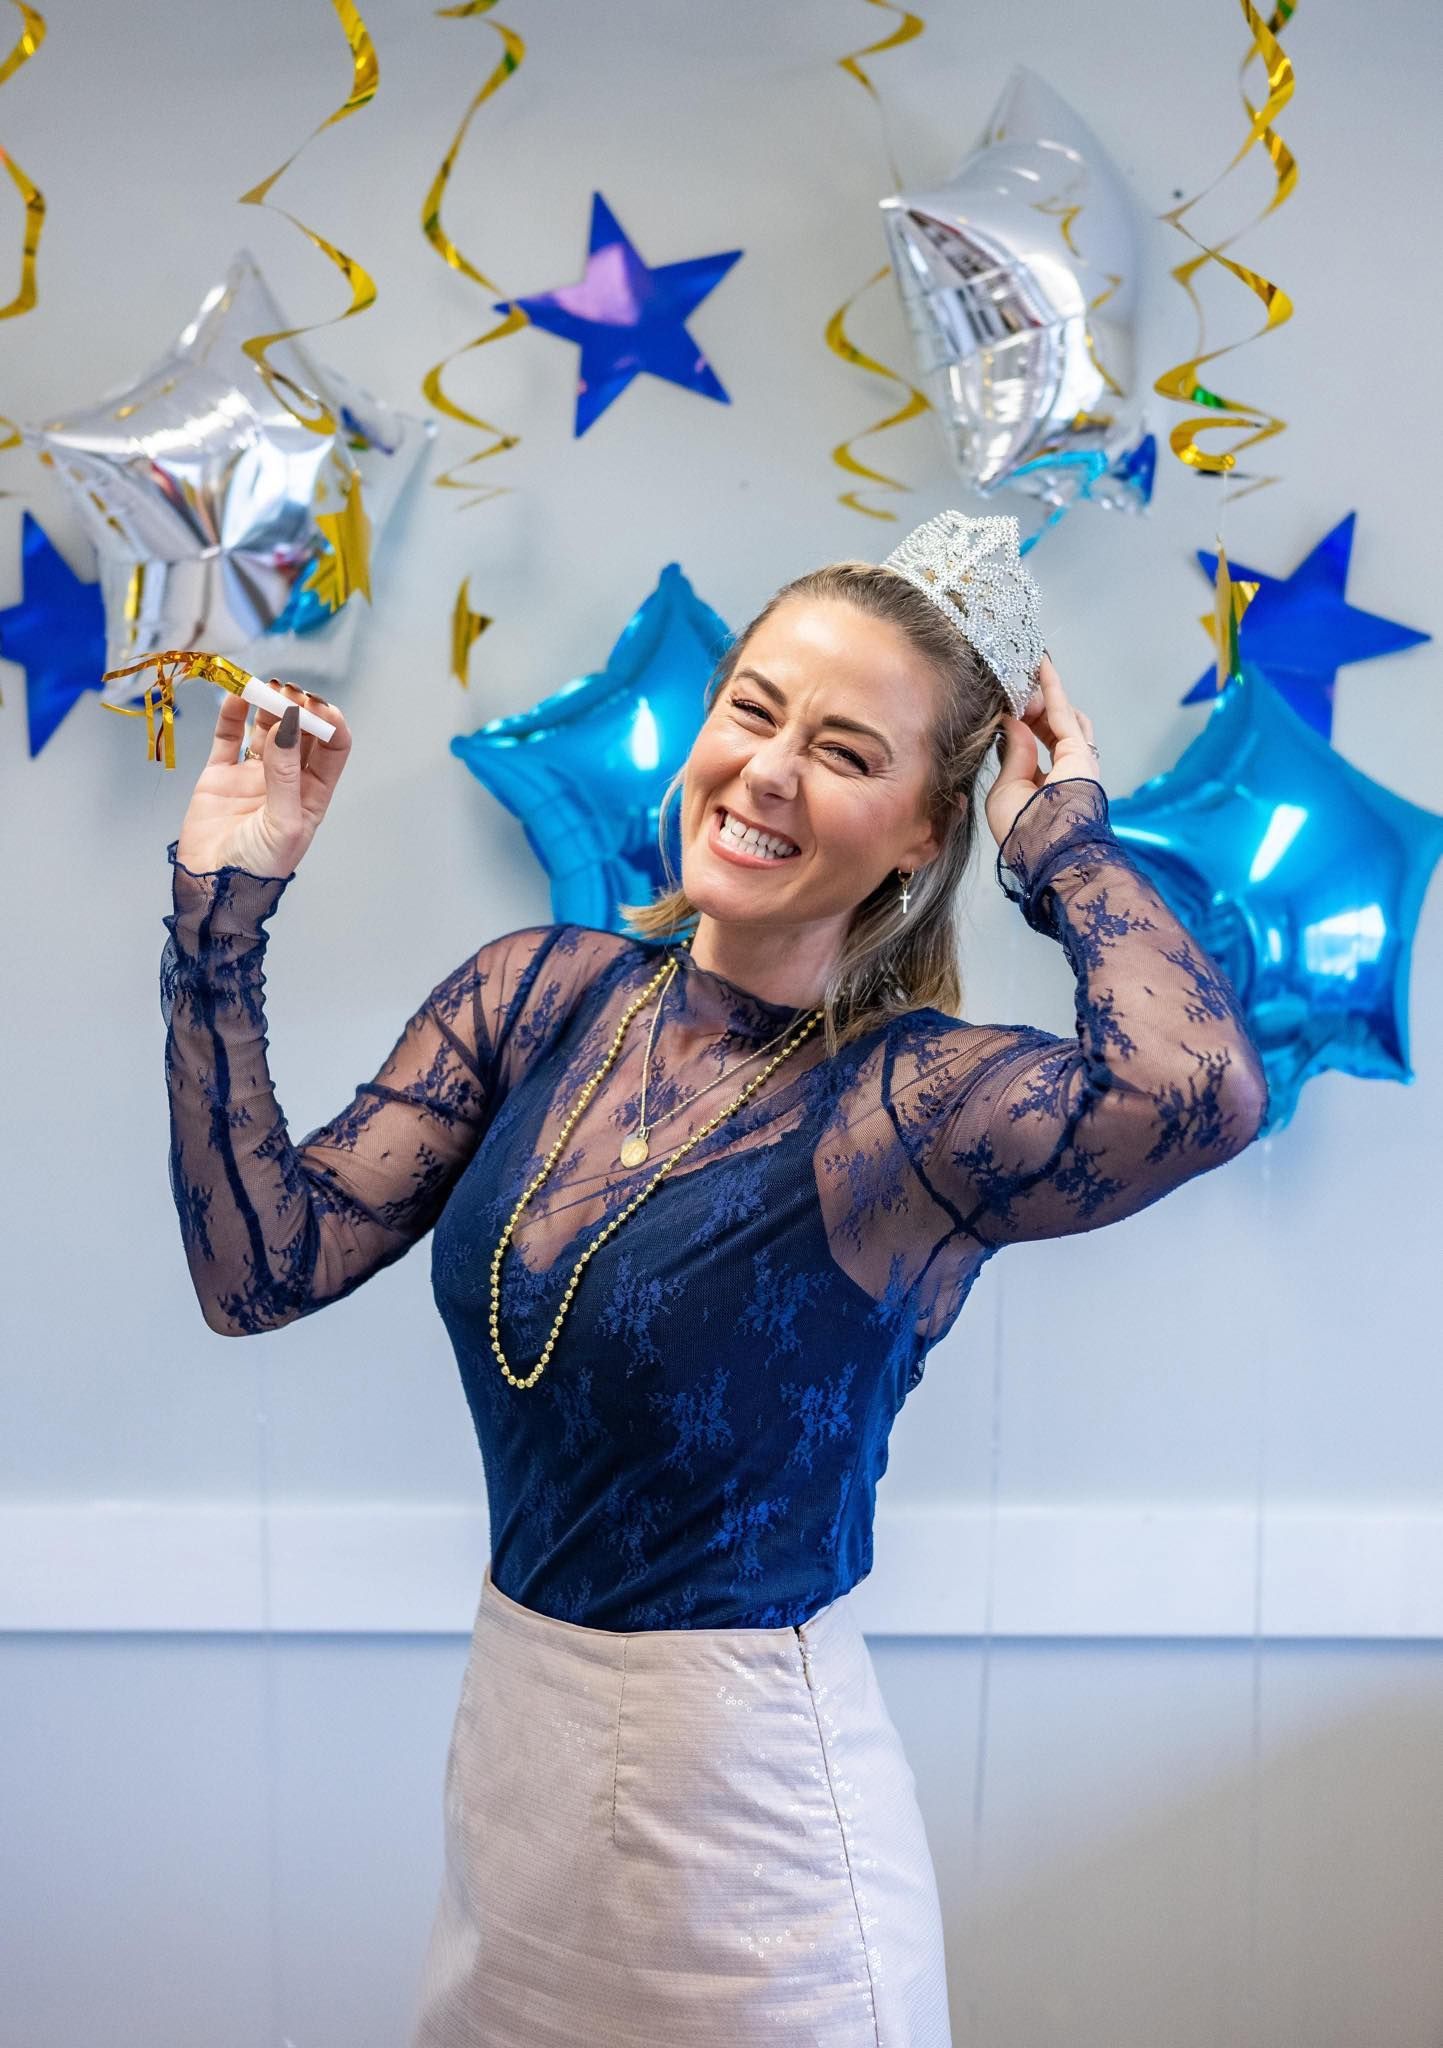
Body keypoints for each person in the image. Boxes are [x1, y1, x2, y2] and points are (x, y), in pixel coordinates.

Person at [160, 511, 1269, 2046]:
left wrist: (1063, 838)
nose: (766, 770)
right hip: (514, 1793)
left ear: (921, 836)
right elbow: (257, 1267)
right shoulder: (538, 996)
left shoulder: (913, 1112)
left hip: (755, 1856)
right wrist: (222, 915)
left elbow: (1198, 1092)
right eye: (752, 709)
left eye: (844, 750)